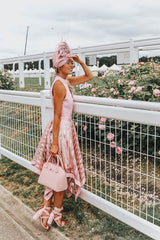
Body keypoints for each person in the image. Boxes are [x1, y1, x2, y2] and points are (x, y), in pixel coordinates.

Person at [31, 41, 94, 230]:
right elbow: (57, 116)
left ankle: (50, 211)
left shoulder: (65, 82)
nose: (71, 66)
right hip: (61, 132)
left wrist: (80, 61)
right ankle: (51, 212)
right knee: (59, 172)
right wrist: (55, 143)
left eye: (72, 64)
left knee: (59, 172)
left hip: (66, 131)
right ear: (59, 65)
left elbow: (89, 76)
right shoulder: (59, 85)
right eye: (68, 63)